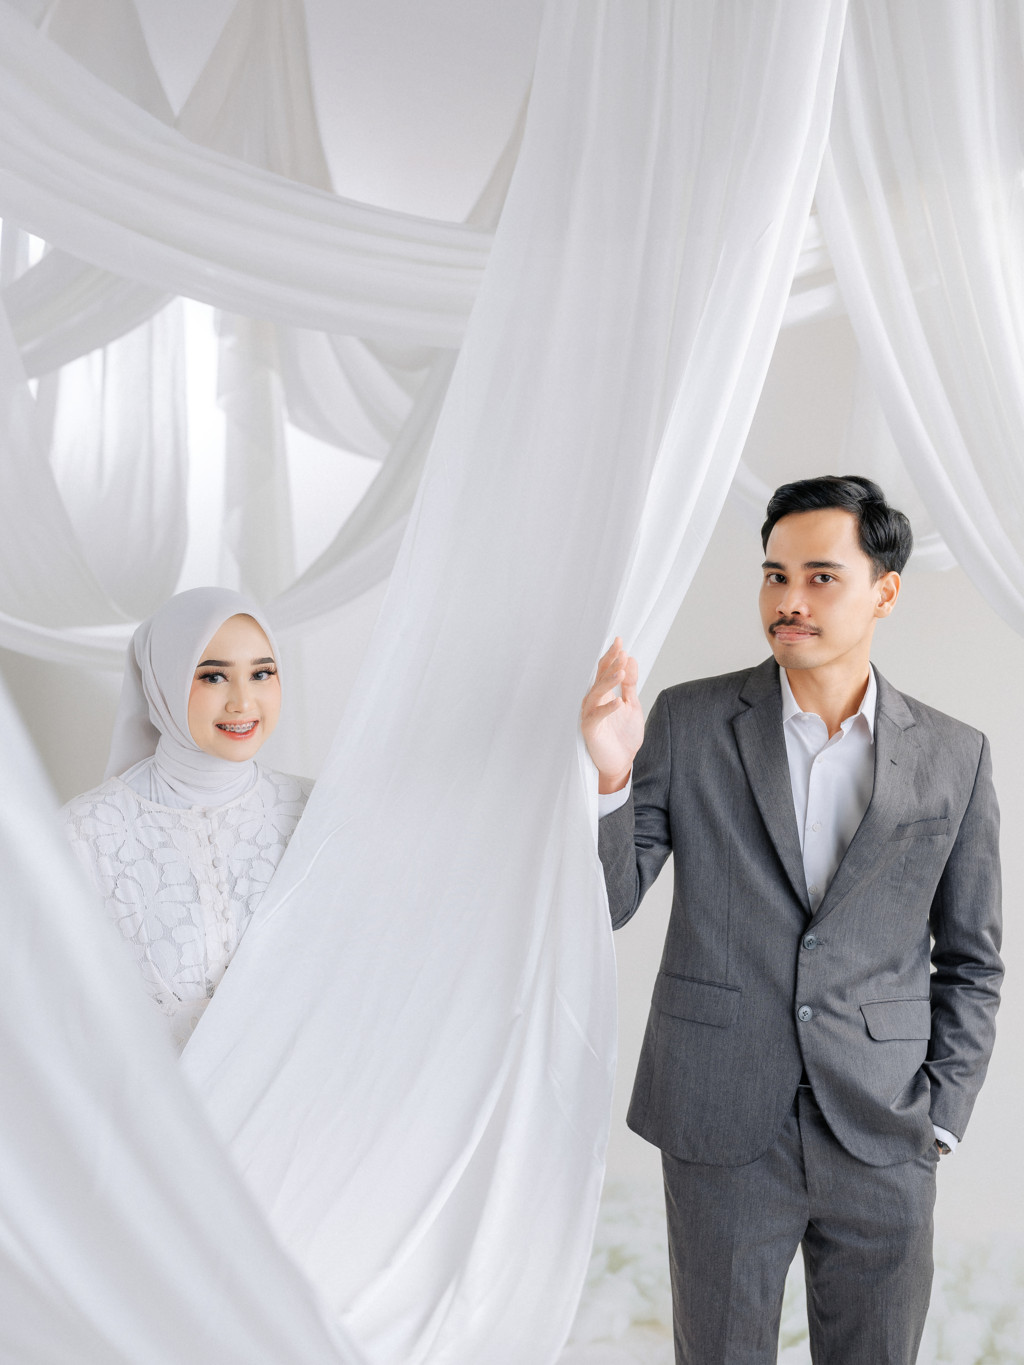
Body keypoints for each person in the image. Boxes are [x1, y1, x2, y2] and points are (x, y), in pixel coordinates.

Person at [581, 476, 1003, 1364]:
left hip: (885, 1126)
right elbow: (608, 902)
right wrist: (611, 776)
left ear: (885, 590)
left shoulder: (955, 756)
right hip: (720, 1116)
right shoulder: (690, 721)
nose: (789, 600)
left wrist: (940, 1115)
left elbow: (972, 959)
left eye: (820, 576)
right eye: (775, 575)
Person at [62, 587, 312, 1053]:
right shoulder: (83, 833)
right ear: (165, 682)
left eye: (261, 673)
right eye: (214, 677)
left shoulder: (315, 812)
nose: (242, 701)